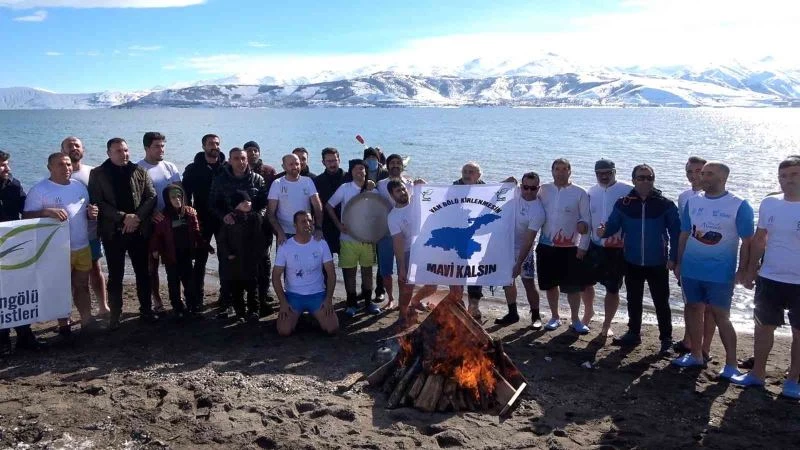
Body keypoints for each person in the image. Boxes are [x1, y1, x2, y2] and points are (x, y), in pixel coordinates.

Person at [672, 162, 754, 378]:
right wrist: (679, 263)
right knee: (692, 309)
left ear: (722, 178)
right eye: (702, 173)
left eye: (709, 174)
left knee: (721, 316)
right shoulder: (693, 201)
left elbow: (747, 242)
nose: (703, 177)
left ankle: (731, 364)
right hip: (691, 269)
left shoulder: (738, 204)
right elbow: (684, 234)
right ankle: (696, 355)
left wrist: (743, 270)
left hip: (720, 273)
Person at [732, 156, 800, 398]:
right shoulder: (770, 203)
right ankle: (757, 373)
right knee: (762, 328)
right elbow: (760, 239)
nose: (788, 180)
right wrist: (750, 269)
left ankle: (793, 379)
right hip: (769, 278)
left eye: (794, 174)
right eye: (783, 175)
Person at [599, 164, 680, 354]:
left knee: (661, 301)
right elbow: (612, 226)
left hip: (658, 261)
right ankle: (633, 333)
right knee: (633, 299)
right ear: (634, 180)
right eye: (641, 177)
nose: (645, 181)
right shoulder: (623, 203)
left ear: (653, 179)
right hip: (631, 259)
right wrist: (603, 232)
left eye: (649, 177)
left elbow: (676, 232)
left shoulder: (665, 204)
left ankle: (666, 339)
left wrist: (673, 258)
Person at [24, 153, 97, 336]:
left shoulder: (79, 186)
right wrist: (46, 212)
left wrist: (91, 213)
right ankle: (64, 324)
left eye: (68, 164)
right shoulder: (40, 190)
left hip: (82, 245)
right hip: (56, 249)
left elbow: (85, 212)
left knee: (82, 285)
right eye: (60, 165)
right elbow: (25, 218)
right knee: (61, 287)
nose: (66, 168)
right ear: (50, 168)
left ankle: (87, 320)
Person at [89, 137, 157, 330]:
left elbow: (151, 197)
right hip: (114, 232)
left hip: (138, 230)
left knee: (143, 272)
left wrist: (136, 218)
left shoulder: (139, 171)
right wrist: (123, 217)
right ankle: (115, 315)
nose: (124, 154)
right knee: (116, 275)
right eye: (118, 151)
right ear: (109, 153)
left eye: (126, 150)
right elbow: (98, 202)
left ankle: (146, 310)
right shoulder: (98, 173)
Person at [536, 158, 591, 333]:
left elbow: (586, 220)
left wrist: (583, 247)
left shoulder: (579, 192)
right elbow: (524, 197)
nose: (560, 172)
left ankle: (575, 319)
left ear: (570, 171)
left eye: (564, 169)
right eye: (557, 169)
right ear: (552, 171)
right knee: (551, 285)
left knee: (573, 287)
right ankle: (555, 317)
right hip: (546, 245)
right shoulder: (543, 190)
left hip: (571, 248)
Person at [0, 150, 45, 355]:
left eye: (7, 164)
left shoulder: (13, 184)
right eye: (2, 165)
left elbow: (26, 212)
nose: (7, 168)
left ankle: (25, 335)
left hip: (13, 246)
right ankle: (2, 340)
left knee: (18, 290)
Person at [61, 136, 110, 317]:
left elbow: (103, 198)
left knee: (95, 269)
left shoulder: (93, 172)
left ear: (83, 150)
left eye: (77, 145)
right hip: (66, 237)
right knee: (73, 276)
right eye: (69, 146)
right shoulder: (59, 175)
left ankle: (103, 306)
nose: (74, 148)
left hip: (91, 232)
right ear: (62, 151)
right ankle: (79, 313)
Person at [674, 156, 717, 357]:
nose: (694, 176)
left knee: (709, 307)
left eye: (698, 171)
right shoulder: (684, 197)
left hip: (713, 259)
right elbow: (681, 231)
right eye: (689, 172)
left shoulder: (718, 198)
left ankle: (705, 347)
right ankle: (688, 340)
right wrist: (676, 259)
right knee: (690, 302)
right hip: (689, 257)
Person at [326, 159, 381, 317]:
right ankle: (351, 304)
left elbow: (379, 212)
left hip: (367, 240)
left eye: (362, 169)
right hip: (348, 239)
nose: (360, 171)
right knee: (350, 272)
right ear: (351, 172)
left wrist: (376, 232)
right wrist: (338, 225)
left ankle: (368, 302)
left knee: (367, 271)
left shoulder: (373, 190)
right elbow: (329, 206)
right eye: (357, 169)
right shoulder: (345, 188)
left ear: (366, 171)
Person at [585, 159, 633, 336]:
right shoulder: (591, 191)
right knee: (586, 283)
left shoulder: (628, 189)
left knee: (612, 288)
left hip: (617, 247)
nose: (604, 176)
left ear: (615, 171)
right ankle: (588, 312)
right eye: (600, 173)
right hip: (594, 245)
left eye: (608, 173)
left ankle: (607, 323)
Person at [274, 211, 338, 336]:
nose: (307, 224)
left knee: (333, 329)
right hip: (294, 296)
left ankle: (315, 316)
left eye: (309, 221)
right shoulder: (285, 246)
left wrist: (328, 299)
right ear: (295, 225)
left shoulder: (321, 243)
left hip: (317, 295)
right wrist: (283, 302)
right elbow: (276, 276)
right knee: (284, 331)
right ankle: (298, 317)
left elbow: (331, 274)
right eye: (303, 221)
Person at [137, 132, 181, 314]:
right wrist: (150, 214)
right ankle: (156, 299)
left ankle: (177, 298)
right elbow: (136, 199)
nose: (161, 149)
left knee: (174, 261)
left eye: (163, 145)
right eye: (157, 146)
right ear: (147, 148)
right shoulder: (138, 169)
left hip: (172, 222)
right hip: (152, 223)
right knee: (151, 264)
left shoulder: (170, 167)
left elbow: (180, 193)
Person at [182, 134, 227, 310]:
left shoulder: (226, 168)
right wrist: (188, 213)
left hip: (222, 218)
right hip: (201, 218)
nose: (214, 146)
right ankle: (196, 297)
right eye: (210, 144)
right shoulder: (193, 168)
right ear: (203, 146)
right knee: (200, 259)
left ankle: (225, 296)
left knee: (225, 257)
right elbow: (185, 193)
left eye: (217, 143)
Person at [149, 184, 202, 319]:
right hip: (170, 256)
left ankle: (192, 305)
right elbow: (157, 236)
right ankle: (177, 307)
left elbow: (196, 231)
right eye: (173, 197)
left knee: (189, 280)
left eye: (179, 196)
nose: (177, 200)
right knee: (173, 282)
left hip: (186, 254)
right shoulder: (163, 217)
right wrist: (155, 249)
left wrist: (204, 245)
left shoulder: (189, 213)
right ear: (167, 199)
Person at [218, 190, 266, 323]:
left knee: (252, 286)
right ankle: (240, 312)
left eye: (248, 201)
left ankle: (254, 311)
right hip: (235, 261)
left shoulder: (255, 218)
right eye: (243, 202)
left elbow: (262, 237)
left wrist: (259, 253)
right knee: (237, 288)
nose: (247, 203)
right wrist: (228, 254)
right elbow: (222, 241)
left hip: (251, 259)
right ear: (236, 205)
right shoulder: (229, 220)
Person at [506, 172, 546, 327]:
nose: (529, 191)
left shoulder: (538, 211)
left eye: (533, 188)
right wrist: (506, 181)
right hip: (507, 245)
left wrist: (518, 263)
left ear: (538, 188)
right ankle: (512, 313)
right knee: (507, 281)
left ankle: (536, 316)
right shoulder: (514, 191)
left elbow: (529, 240)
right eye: (526, 187)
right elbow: (491, 192)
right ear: (521, 186)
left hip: (524, 249)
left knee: (528, 282)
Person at [244, 140, 278, 315]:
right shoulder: (238, 170)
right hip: (243, 223)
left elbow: (275, 196)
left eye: (255, 150)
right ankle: (245, 292)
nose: (252, 153)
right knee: (245, 258)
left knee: (264, 257)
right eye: (249, 150)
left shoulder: (269, 172)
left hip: (264, 222)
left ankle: (265, 291)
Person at [375, 154, 413, 309]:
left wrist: (422, 184)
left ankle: (404, 301)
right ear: (387, 166)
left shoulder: (409, 184)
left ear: (402, 166)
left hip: (404, 234)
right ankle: (390, 298)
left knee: (403, 270)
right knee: (386, 270)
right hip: (385, 233)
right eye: (392, 163)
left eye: (398, 163)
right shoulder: (379, 184)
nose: (395, 165)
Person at [453, 161, 488, 319]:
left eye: (471, 172)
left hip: (477, 237)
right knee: (456, 271)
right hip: (458, 236)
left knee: (475, 273)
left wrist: (508, 185)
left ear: (479, 175)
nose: (467, 174)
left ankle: (474, 307)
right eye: (465, 171)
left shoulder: (486, 189)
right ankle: (457, 304)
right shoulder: (453, 187)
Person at [267, 153, 324, 246]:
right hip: (285, 233)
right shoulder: (277, 184)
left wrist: (318, 228)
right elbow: (270, 213)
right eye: (291, 164)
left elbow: (318, 207)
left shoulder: (308, 181)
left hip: (307, 231)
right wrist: (279, 232)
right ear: (283, 166)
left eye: (297, 164)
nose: (295, 167)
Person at [313, 147, 345, 255]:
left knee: (349, 267)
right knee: (325, 266)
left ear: (339, 160)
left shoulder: (349, 178)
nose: (332, 164)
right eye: (329, 161)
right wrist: (317, 227)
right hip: (325, 228)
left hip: (346, 227)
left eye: (334, 160)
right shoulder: (317, 181)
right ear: (323, 162)